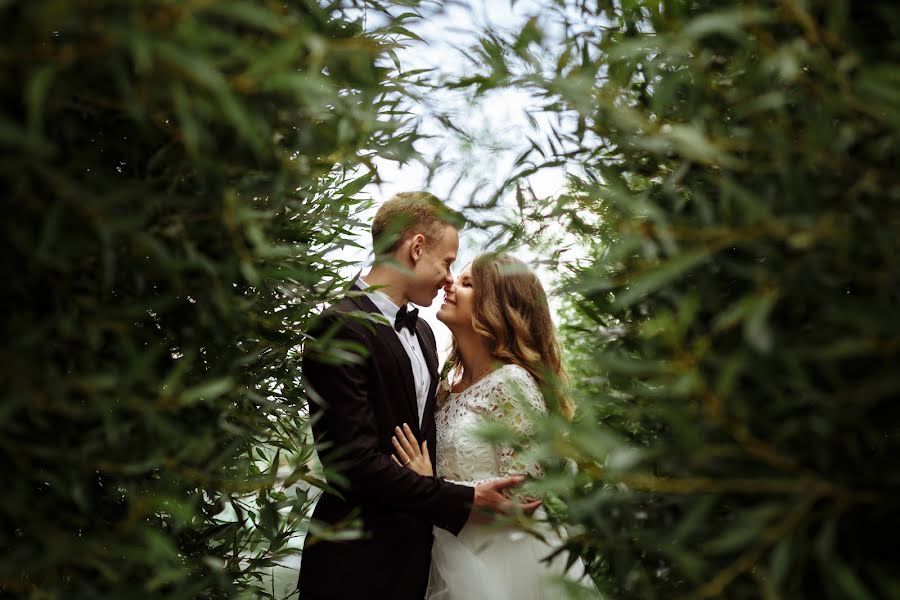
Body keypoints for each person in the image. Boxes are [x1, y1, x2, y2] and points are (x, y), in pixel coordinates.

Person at [297, 193, 539, 600]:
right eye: (447, 263)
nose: (449, 279)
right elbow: (353, 461)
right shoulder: (338, 327)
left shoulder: (425, 334)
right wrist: (458, 497)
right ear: (416, 248)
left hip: (424, 565)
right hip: (355, 565)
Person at [390, 253, 599, 599]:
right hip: (445, 554)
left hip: (506, 566)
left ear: (497, 306)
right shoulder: (445, 387)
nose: (450, 284)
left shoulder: (511, 383)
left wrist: (431, 488)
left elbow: (527, 495)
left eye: (468, 283)